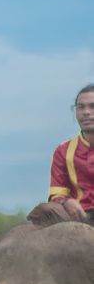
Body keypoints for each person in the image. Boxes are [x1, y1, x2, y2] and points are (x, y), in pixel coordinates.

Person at [47, 83, 94, 221]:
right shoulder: (63, 151)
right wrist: (66, 202)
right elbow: (57, 194)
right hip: (78, 218)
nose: (86, 112)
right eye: (81, 107)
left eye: (92, 106)